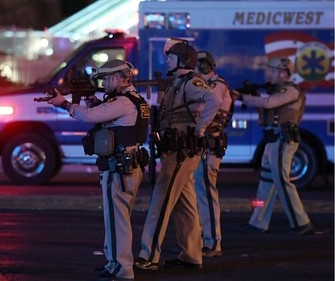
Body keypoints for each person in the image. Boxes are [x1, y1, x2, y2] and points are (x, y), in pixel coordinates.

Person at [47, 59, 150, 280]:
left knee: (116, 220)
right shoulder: (134, 99)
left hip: (119, 168)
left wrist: (64, 104)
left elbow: (89, 117)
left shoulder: (122, 102)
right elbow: (108, 118)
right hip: (127, 166)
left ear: (119, 78)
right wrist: (94, 103)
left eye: (107, 78)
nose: (104, 83)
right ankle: (114, 263)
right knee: (118, 220)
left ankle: (122, 269)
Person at [134, 41, 222, 271]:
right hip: (178, 150)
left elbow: (214, 99)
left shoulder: (192, 82)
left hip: (181, 151)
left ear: (183, 60)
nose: (167, 60)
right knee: (186, 205)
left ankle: (149, 255)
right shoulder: (180, 82)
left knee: (160, 202)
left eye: (171, 57)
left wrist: (200, 128)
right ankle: (192, 255)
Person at [233, 56, 313, 235]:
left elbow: (269, 103)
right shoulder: (279, 90)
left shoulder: (290, 90)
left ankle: (301, 222)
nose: (270, 73)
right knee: (266, 183)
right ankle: (258, 222)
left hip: (282, 140)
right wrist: (252, 98)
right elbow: (267, 109)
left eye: (274, 71)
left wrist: (243, 97)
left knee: (282, 183)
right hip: (273, 141)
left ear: (284, 73)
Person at [193, 51, 233, 257]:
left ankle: (212, 242)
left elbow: (211, 103)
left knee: (207, 194)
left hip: (209, 144)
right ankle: (198, 241)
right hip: (203, 145)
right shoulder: (210, 84)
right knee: (198, 194)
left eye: (198, 66)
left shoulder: (217, 85)